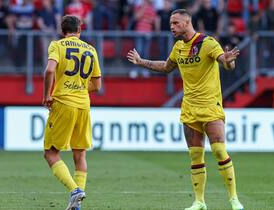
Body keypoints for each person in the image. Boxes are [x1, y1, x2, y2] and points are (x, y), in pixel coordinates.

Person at [127, 9, 243, 210]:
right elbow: (165, 66)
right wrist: (141, 61)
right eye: (171, 23)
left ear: (187, 23)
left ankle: (233, 199)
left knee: (218, 149)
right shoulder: (178, 47)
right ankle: (199, 202)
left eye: (175, 23)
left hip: (210, 106)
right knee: (195, 155)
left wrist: (229, 60)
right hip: (189, 107)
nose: (171, 26)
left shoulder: (207, 43)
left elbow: (224, 62)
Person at [42, 15, 102, 210]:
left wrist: (47, 95)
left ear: (62, 30)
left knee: (50, 153)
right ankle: (77, 205)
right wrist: (80, 88)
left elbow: (50, 70)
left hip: (63, 103)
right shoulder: (91, 50)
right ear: (80, 30)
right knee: (80, 154)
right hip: (84, 105)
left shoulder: (57, 45)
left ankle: (74, 190)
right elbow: (97, 84)